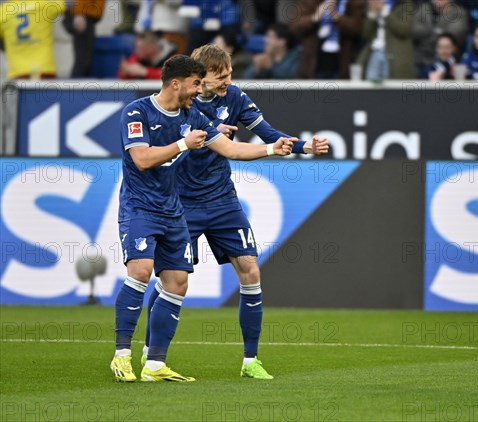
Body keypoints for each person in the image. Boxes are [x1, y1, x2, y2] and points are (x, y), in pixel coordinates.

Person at [141, 44, 329, 380]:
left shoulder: (237, 98)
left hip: (222, 200)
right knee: (173, 280)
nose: (228, 81)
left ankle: (250, 360)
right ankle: (152, 353)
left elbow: (269, 135)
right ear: (199, 77)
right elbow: (166, 151)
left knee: (250, 270)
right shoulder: (180, 103)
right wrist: (210, 132)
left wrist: (304, 147)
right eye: (220, 77)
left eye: (230, 74)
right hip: (181, 202)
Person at [111, 54, 294, 383]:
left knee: (178, 282)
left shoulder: (192, 115)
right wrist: (182, 144)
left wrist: (271, 149)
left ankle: (154, 365)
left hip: (174, 209)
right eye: (195, 84)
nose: (199, 91)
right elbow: (140, 159)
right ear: (176, 83)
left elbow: (230, 149)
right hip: (141, 205)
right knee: (140, 269)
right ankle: (122, 354)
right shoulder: (136, 112)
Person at [290, 0, 365, 79]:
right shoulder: (309, 2)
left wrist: (336, 17)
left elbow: (358, 29)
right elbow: (295, 27)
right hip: (313, 64)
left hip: (342, 63)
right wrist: (314, 17)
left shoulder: (353, 3)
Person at [0, 0, 67, 79]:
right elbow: (72, 4)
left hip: (18, 71)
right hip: (44, 69)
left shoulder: (3, 12)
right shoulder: (44, 5)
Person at [356, 0, 416, 81]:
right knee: (370, 89)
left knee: (392, 89)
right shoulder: (375, 3)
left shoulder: (405, 5)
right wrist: (372, 14)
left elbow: (404, 30)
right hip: (374, 52)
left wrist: (384, 11)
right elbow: (365, 34)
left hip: (395, 54)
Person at [412, 0, 469, 77]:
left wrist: (427, 33)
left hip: (446, 61)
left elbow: (453, 36)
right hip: (420, 60)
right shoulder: (423, 9)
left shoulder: (459, 12)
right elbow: (413, 30)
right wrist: (436, 31)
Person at [62, 0, 106, 77]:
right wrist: (77, 13)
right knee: (83, 62)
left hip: (82, 15)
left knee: (83, 62)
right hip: (82, 15)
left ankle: (75, 84)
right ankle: (75, 86)